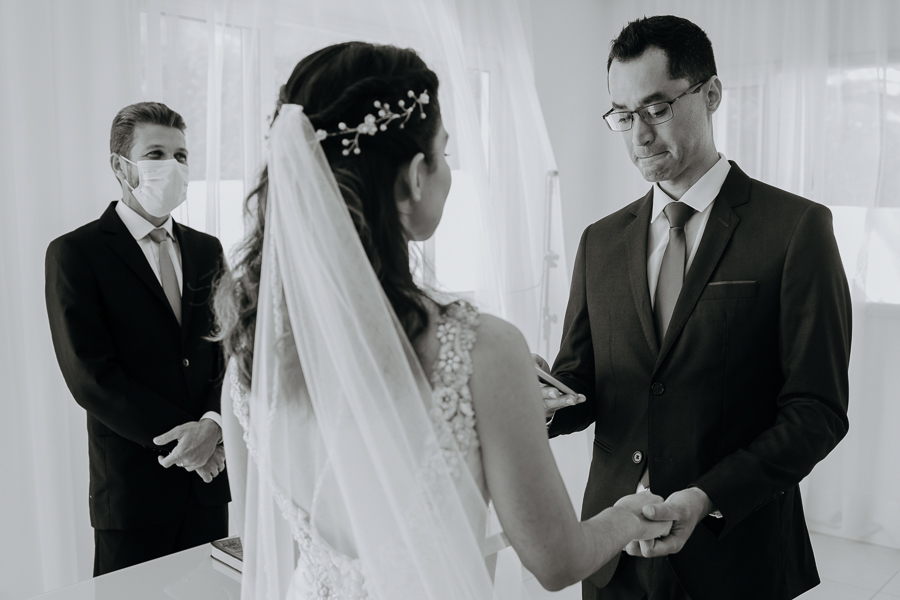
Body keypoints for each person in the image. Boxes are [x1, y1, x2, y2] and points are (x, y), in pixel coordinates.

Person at [213, 41, 671, 600]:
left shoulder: (251, 352)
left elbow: (261, 553)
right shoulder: (484, 349)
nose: (449, 171)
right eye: (444, 153)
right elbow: (557, 561)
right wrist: (627, 514)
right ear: (414, 177)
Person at [539, 15, 852, 600]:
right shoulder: (599, 241)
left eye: (656, 109)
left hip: (736, 554)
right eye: (623, 116)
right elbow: (585, 382)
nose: (639, 135)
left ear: (710, 94)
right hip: (612, 553)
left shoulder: (796, 229)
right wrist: (541, 401)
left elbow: (817, 411)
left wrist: (706, 497)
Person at [45, 102, 231, 576]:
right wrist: (190, 446)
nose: (173, 167)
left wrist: (212, 424)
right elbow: (91, 376)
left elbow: (228, 352)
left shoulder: (208, 249)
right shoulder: (75, 252)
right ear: (120, 166)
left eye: (182, 156)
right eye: (156, 154)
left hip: (208, 491)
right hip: (131, 493)